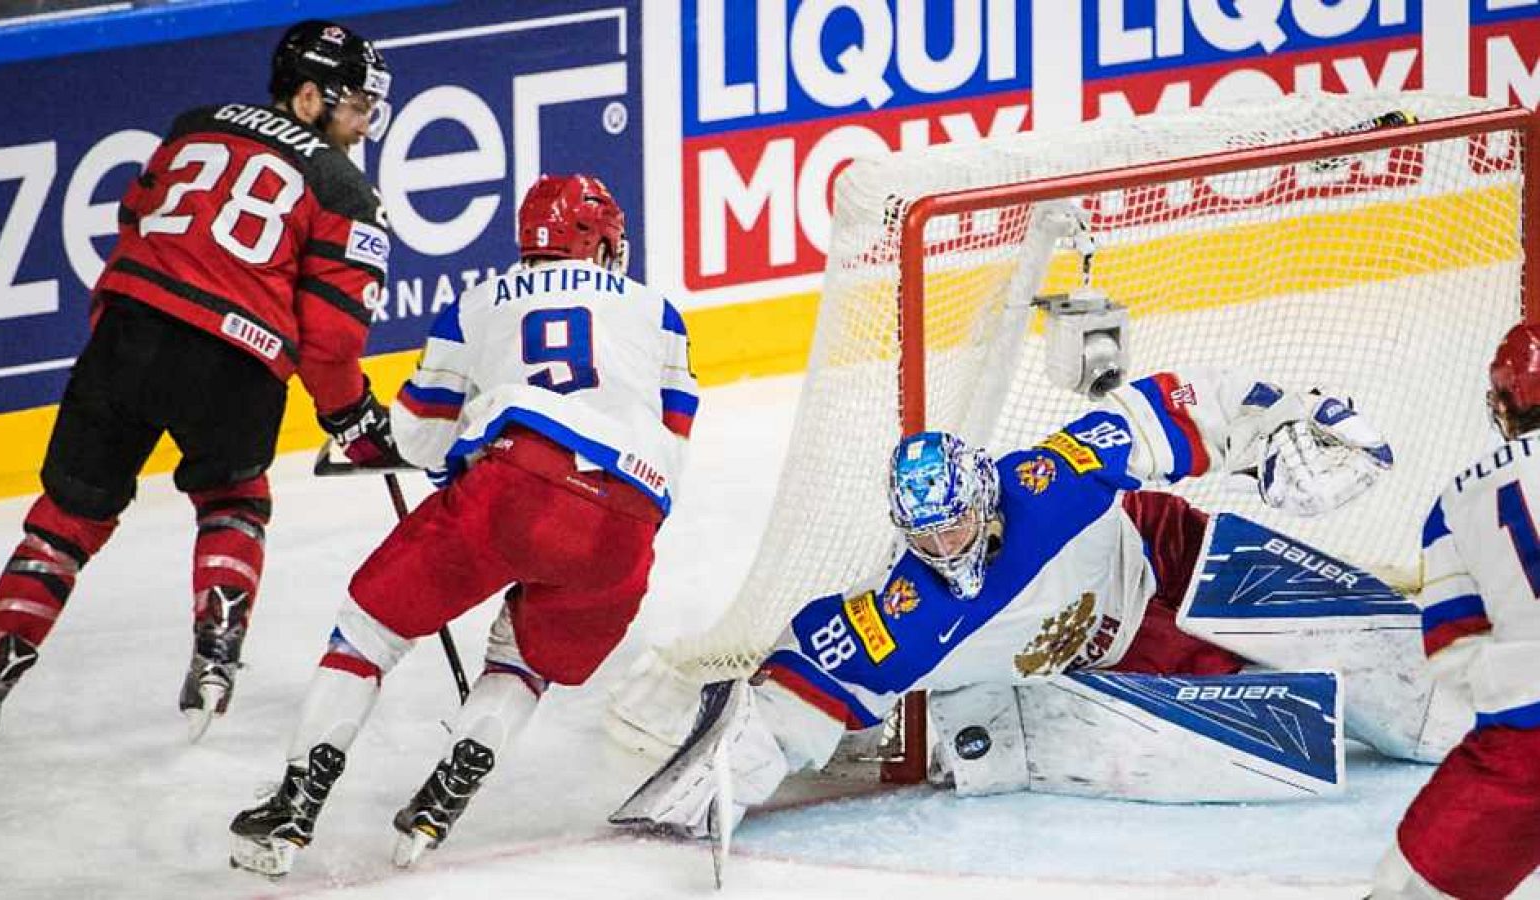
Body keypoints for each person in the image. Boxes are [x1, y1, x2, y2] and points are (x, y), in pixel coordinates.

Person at [612, 368, 1401, 836]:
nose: (946, 546)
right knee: (1290, 729)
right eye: (928, 534)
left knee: (1387, 664)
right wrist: (729, 768)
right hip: (1122, 655)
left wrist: (1285, 423)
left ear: (985, 496)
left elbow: (1175, 407)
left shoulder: (1044, 482)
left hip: (1161, 554)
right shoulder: (905, 616)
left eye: (956, 523)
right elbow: (797, 682)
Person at [0, 20, 399, 754]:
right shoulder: (344, 188)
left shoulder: (193, 127)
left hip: (126, 334)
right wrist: (351, 418)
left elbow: (135, 221)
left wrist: (123, 321)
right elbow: (333, 340)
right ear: (309, 97)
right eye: (355, 104)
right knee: (234, 499)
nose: (364, 121)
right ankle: (214, 664)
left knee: (65, 517)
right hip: (235, 362)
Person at [226, 173, 701, 878]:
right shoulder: (656, 309)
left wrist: (463, 467)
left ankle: (296, 804)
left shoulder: (477, 304)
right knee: (523, 660)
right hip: (628, 521)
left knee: (367, 631)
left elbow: (418, 434)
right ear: (600, 242)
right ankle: (440, 803)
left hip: (516, 484)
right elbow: (674, 441)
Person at [1371, 321, 1540, 900]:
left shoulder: (1460, 497)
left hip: (1526, 741)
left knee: (1403, 889)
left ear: (1502, 401)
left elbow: (1452, 649)